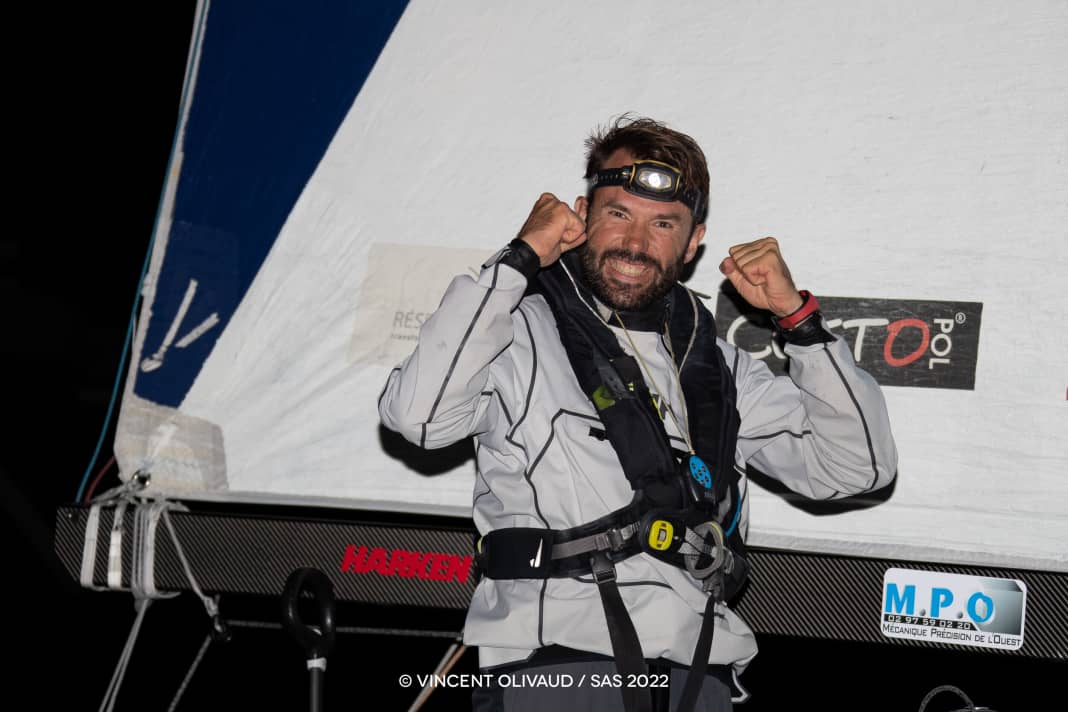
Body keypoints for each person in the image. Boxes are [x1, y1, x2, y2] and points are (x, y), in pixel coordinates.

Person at [378, 115, 897, 712]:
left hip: (699, 672)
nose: (635, 243)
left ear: (693, 241)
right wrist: (518, 260)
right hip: (556, 669)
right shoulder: (514, 331)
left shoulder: (722, 367)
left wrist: (798, 322)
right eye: (619, 214)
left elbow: (859, 470)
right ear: (580, 216)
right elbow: (418, 419)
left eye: (663, 224)